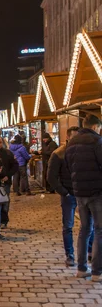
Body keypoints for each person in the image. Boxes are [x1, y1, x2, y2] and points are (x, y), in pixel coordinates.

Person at [48, 126, 94, 267]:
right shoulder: (59, 153)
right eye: (74, 136)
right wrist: (64, 192)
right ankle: (70, 255)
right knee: (68, 226)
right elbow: (51, 177)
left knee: (89, 226)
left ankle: (90, 251)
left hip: (84, 193)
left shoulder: (85, 151)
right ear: (67, 137)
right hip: (69, 194)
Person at [66, 114, 102, 280]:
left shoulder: (72, 143)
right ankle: (97, 272)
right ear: (95, 127)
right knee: (99, 231)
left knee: (84, 229)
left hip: (79, 192)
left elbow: (68, 166)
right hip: (97, 192)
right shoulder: (97, 141)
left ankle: (81, 269)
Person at [0, 136, 18, 228]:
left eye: (0, 142)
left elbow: (15, 166)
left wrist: (8, 175)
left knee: (5, 202)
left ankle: (4, 221)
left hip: (5, 183)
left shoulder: (8, 153)